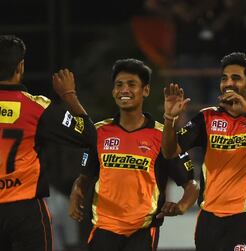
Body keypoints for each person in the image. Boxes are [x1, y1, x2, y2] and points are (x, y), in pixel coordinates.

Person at [0, 35, 96, 251]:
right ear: (20, 67)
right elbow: (89, 136)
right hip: (27, 210)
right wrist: (69, 95)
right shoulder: (37, 107)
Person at [161, 52, 246, 251]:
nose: (228, 83)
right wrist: (169, 120)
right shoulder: (206, 117)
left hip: (243, 218)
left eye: (236, 78)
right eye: (224, 78)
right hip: (208, 219)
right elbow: (170, 152)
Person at [69, 58, 199, 251]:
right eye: (119, 85)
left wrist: (182, 206)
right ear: (113, 91)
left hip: (141, 232)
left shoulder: (163, 136)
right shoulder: (99, 132)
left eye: (132, 84)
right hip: (102, 229)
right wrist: (76, 191)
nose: (124, 90)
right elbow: (84, 177)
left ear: (145, 91)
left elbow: (191, 184)